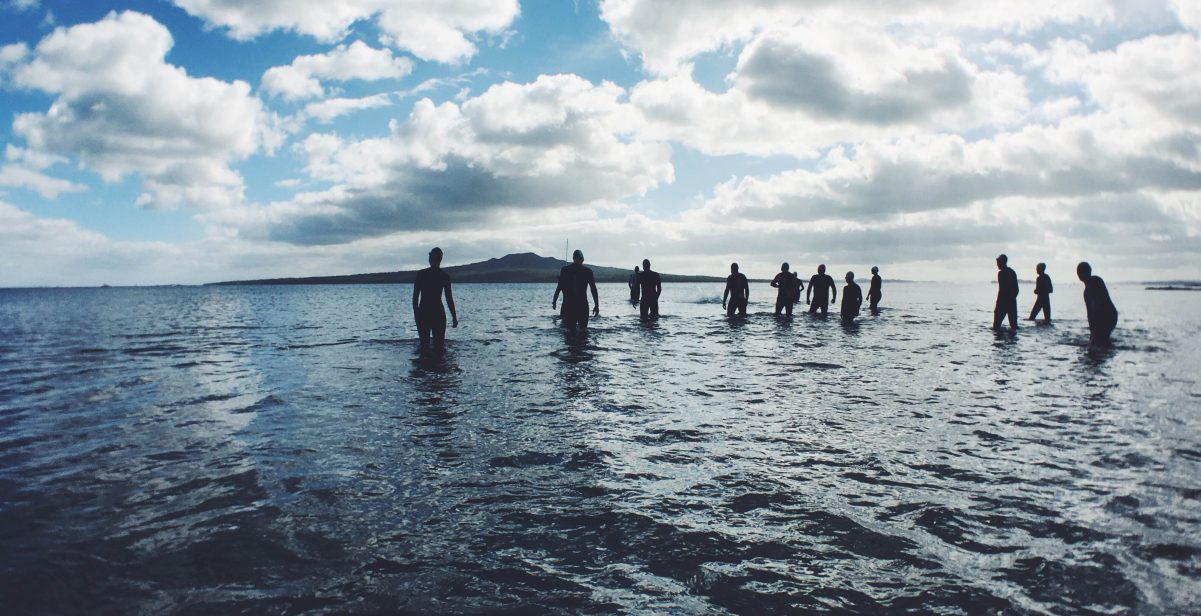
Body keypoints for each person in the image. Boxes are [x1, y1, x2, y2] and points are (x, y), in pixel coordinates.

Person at [412, 247, 458, 343]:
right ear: (440, 260)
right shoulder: (444, 276)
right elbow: (449, 299)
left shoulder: (421, 274)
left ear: (430, 259)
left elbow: (415, 298)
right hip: (438, 313)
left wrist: (417, 314)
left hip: (423, 312)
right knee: (439, 346)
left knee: (424, 345)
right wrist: (454, 317)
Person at [552, 249, 600, 331]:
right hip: (580, 305)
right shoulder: (586, 271)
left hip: (572, 305)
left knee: (572, 331)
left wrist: (554, 300)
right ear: (582, 259)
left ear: (574, 258)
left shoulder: (566, 270)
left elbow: (559, 286)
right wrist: (596, 305)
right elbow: (593, 289)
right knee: (581, 331)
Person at [1077, 261, 1118, 345]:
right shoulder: (1097, 280)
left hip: (1104, 316)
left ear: (1079, 275)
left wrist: (1093, 332)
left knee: (1099, 341)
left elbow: (1092, 311)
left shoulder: (1089, 289)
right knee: (1103, 340)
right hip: (1112, 315)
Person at [993, 254, 1019, 330]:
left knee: (996, 326)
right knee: (1014, 327)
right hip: (1012, 302)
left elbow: (1002, 290)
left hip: (1003, 302)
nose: (997, 265)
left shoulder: (1001, 274)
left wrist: (998, 303)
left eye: (998, 263)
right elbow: (1016, 289)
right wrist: (1012, 298)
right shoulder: (1012, 272)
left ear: (1001, 263)